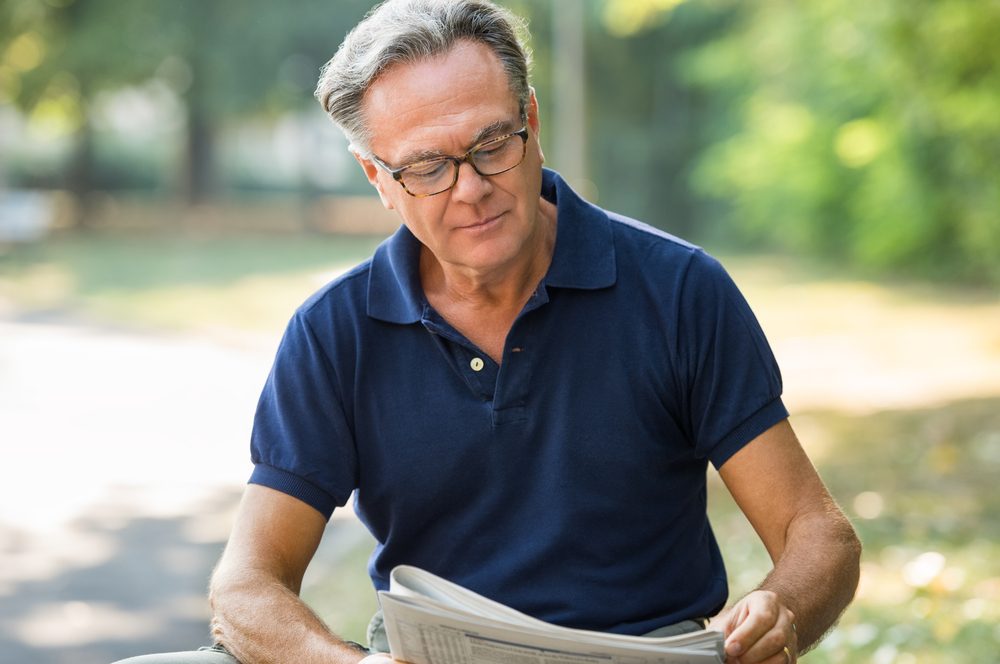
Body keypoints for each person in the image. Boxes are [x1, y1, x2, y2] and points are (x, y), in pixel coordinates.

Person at [114, 1, 860, 663]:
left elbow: (817, 532)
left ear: (532, 121)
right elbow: (245, 586)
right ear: (377, 178)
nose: (471, 188)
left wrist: (781, 609)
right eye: (428, 168)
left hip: (640, 652)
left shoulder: (680, 291)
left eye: (491, 145)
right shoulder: (334, 332)